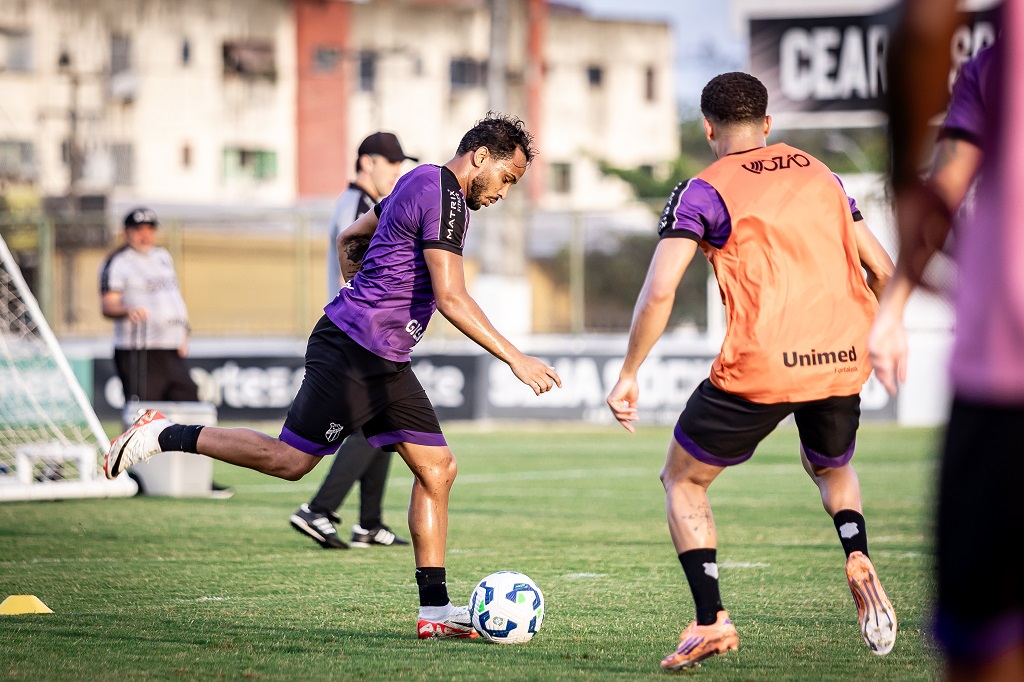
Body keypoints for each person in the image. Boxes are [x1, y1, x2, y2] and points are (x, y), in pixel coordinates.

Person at [104, 112, 562, 639]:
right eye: (508, 178)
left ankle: (434, 612)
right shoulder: (445, 195)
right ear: (481, 157)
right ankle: (161, 433)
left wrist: (358, 282)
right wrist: (516, 359)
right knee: (290, 461)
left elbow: (354, 233)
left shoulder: (418, 180)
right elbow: (451, 295)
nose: (506, 192)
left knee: (438, 470)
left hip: (382, 355)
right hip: (355, 350)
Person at [605, 72, 897, 670]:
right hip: (843, 357)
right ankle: (856, 550)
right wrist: (884, 333)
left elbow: (660, 292)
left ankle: (710, 620)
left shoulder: (703, 190)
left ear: (707, 128)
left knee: (683, 480)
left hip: (762, 363)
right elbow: (885, 271)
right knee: (831, 466)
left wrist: (629, 371)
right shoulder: (824, 175)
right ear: (767, 124)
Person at [873, 2, 1024, 680]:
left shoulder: (999, 62)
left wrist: (905, 179)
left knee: (984, 653)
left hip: (1008, 377)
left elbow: (928, 21)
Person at [290, 131, 417, 550]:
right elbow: (362, 263)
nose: (397, 171)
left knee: (384, 424)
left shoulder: (358, 202)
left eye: (401, 164)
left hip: (363, 332)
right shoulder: (361, 205)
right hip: (356, 333)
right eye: (390, 162)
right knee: (367, 427)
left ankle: (369, 523)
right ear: (366, 162)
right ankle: (319, 510)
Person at [100, 207, 233, 499]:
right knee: (142, 416)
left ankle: (197, 478)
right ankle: (136, 478)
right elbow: (108, 304)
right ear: (126, 233)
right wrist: (126, 310)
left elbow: (172, 298)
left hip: (171, 349)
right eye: (138, 229)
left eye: (149, 228)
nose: (145, 234)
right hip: (139, 349)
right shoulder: (119, 262)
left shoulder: (162, 256)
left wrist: (183, 330)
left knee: (192, 408)